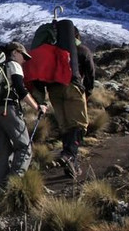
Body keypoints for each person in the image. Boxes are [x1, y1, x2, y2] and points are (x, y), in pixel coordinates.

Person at [26, 29, 89, 179]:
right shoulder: (79, 50)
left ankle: (70, 159)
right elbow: (90, 70)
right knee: (79, 124)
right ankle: (68, 155)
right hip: (72, 87)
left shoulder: (48, 50)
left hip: (54, 90)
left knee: (65, 125)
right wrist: (88, 91)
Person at [0, 41, 48, 189]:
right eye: (23, 56)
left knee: (2, 149)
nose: (24, 60)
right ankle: (12, 183)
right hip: (8, 108)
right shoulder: (13, 65)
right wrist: (37, 107)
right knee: (24, 147)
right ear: (15, 52)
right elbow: (20, 89)